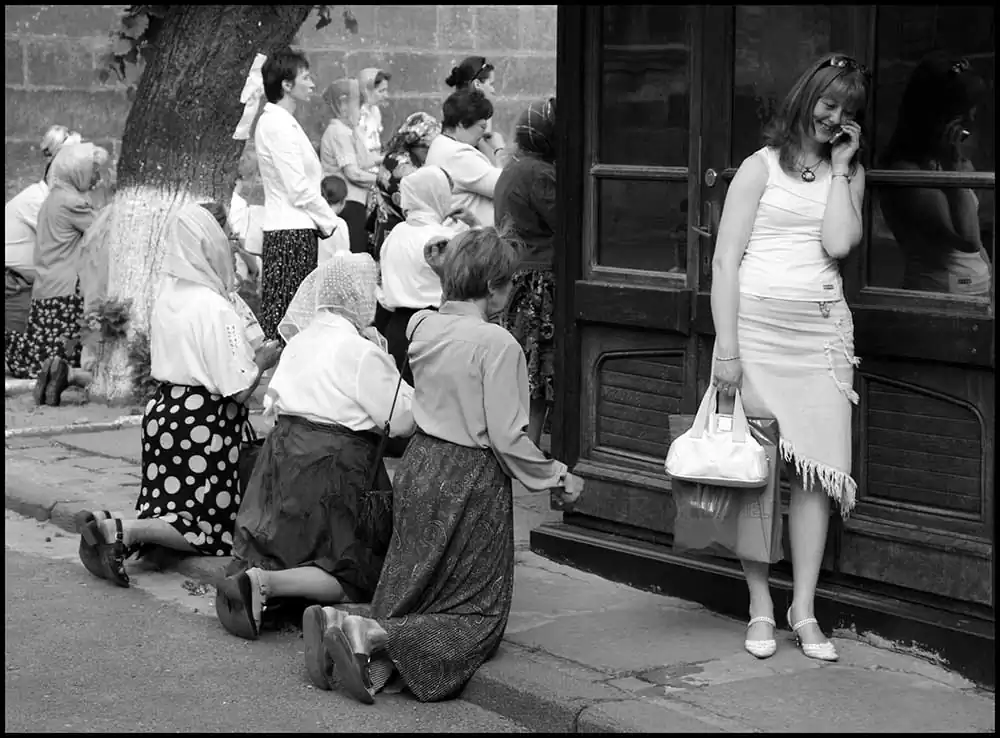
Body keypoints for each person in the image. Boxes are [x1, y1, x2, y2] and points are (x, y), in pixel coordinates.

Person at [300, 226, 586, 705]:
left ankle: (342, 621)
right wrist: (557, 475)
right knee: (477, 614)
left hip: (420, 464)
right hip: (470, 477)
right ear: (494, 287)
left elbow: (445, 314)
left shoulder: (421, 327)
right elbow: (507, 439)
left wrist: (448, 270)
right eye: (509, 282)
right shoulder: (498, 344)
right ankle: (370, 634)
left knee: (412, 583)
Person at [710, 53, 869, 663]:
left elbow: (838, 243)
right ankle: (759, 605)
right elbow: (725, 262)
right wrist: (727, 350)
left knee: (815, 477)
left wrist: (843, 168)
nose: (835, 118)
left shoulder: (848, 173)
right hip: (754, 336)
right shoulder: (759, 168)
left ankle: (803, 610)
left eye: (847, 111)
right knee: (755, 474)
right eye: (828, 104)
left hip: (822, 341)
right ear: (806, 99)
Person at [75, 202, 283, 588]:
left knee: (170, 509)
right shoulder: (214, 306)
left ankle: (107, 526)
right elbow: (238, 389)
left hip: (165, 410)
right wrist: (263, 360)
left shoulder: (168, 296)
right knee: (208, 530)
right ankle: (121, 531)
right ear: (210, 246)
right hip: (204, 422)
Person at [216, 253, 415, 642]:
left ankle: (264, 580)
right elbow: (401, 418)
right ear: (358, 296)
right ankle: (266, 584)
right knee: (355, 572)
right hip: (335, 464)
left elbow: (272, 403)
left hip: (282, 455)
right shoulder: (360, 351)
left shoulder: (301, 341)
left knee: (289, 548)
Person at [879, 53, 991, 295]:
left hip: (976, 293)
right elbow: (968, 240)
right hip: (941, 293)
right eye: (963, 110)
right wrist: (954, 170)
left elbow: (978, 245)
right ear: (938, 112)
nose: (971, 117)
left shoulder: (952, 161)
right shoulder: (907, 173)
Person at [5, 142, 106, 400]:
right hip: (67, 289)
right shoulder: (73, 203)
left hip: (46, 287)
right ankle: (66, 377)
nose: (98, 176)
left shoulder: (52, 199)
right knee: (64, 354)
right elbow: (105, 231)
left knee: (46, 352)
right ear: (78, 171)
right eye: (94, 170)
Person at [255, 47, 339, 340]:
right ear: (287, 85)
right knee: (287, 322)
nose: (312, 83)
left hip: (296, 230)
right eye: (305, 77)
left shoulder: (283, 121)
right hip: (289, 234)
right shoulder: (277, 123)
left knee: (297, 320)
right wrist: (330, 220)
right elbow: (298, 188)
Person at [496, 97, 558, 445]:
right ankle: (528, 448)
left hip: (516, 277)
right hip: (539, 282)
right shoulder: (540, 174)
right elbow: (567, 223)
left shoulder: (514, 167)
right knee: (538, 372)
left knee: (524, 370)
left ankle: (519, 445)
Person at [377, 166, 477, 380]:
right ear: (437, 195)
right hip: (436, 326)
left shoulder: (394, 235)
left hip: (398, 327)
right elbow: (476, 274)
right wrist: (475, 225)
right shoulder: (443, 238)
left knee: (403, 393)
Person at [426, 89, 503, 229]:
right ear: (462, 123)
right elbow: (506, 186)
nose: (484, 133)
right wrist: (499, 149)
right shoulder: (458, 155)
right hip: (466, 237)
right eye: (482, 126)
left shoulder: (441, 145)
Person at [321, 78, 380, 255]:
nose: (361, 113)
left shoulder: (348, 131)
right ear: (343, 105)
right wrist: (382, 180)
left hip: (355, 203)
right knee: (355, 257)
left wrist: (385, 159)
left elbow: (363, 161)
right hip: (347, 203)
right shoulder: (338, 132)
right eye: (358, 106)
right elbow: (353, 173)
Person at [371, 112, 442, 257]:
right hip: (397, 236)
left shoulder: (397, 157)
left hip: (392, 231)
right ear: (419, 145)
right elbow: (416, 205)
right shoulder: (404, 167)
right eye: (428, 149)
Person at [445, 56, 507, 166]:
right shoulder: (472, 137)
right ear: (477, 84)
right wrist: (499, 149)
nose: (493, 90)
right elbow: (499, 174)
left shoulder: (454, 113)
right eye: (491, 84)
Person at [357, 68, 391, 166]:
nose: (386, 95)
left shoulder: (375, 111)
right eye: (381, 91)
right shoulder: (356, 116)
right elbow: (360, 158)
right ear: (366, 91)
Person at [318, 175, 351, 262]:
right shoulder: (340, 224)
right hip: (330, 269)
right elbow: (343, 256)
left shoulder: (312, 220)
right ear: (343, 201)